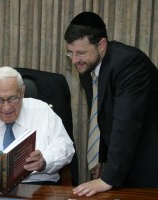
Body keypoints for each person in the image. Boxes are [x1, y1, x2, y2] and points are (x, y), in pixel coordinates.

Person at [64, 11, 158, 197]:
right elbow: (102, 115)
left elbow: (126, 124)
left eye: (81, 53)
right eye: (70, 52)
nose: (74, 60)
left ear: (102, 45)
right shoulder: (87, 65)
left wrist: (109, 178)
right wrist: (104, 160)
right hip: (123, 157)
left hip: (149, 156)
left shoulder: (130, 64)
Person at [0, 66, 75, 185]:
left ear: (22, 92)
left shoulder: (42, 110)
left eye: (12, 98)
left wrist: (45, 160)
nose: (6, 107)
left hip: (37, 185)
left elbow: (66, 146)